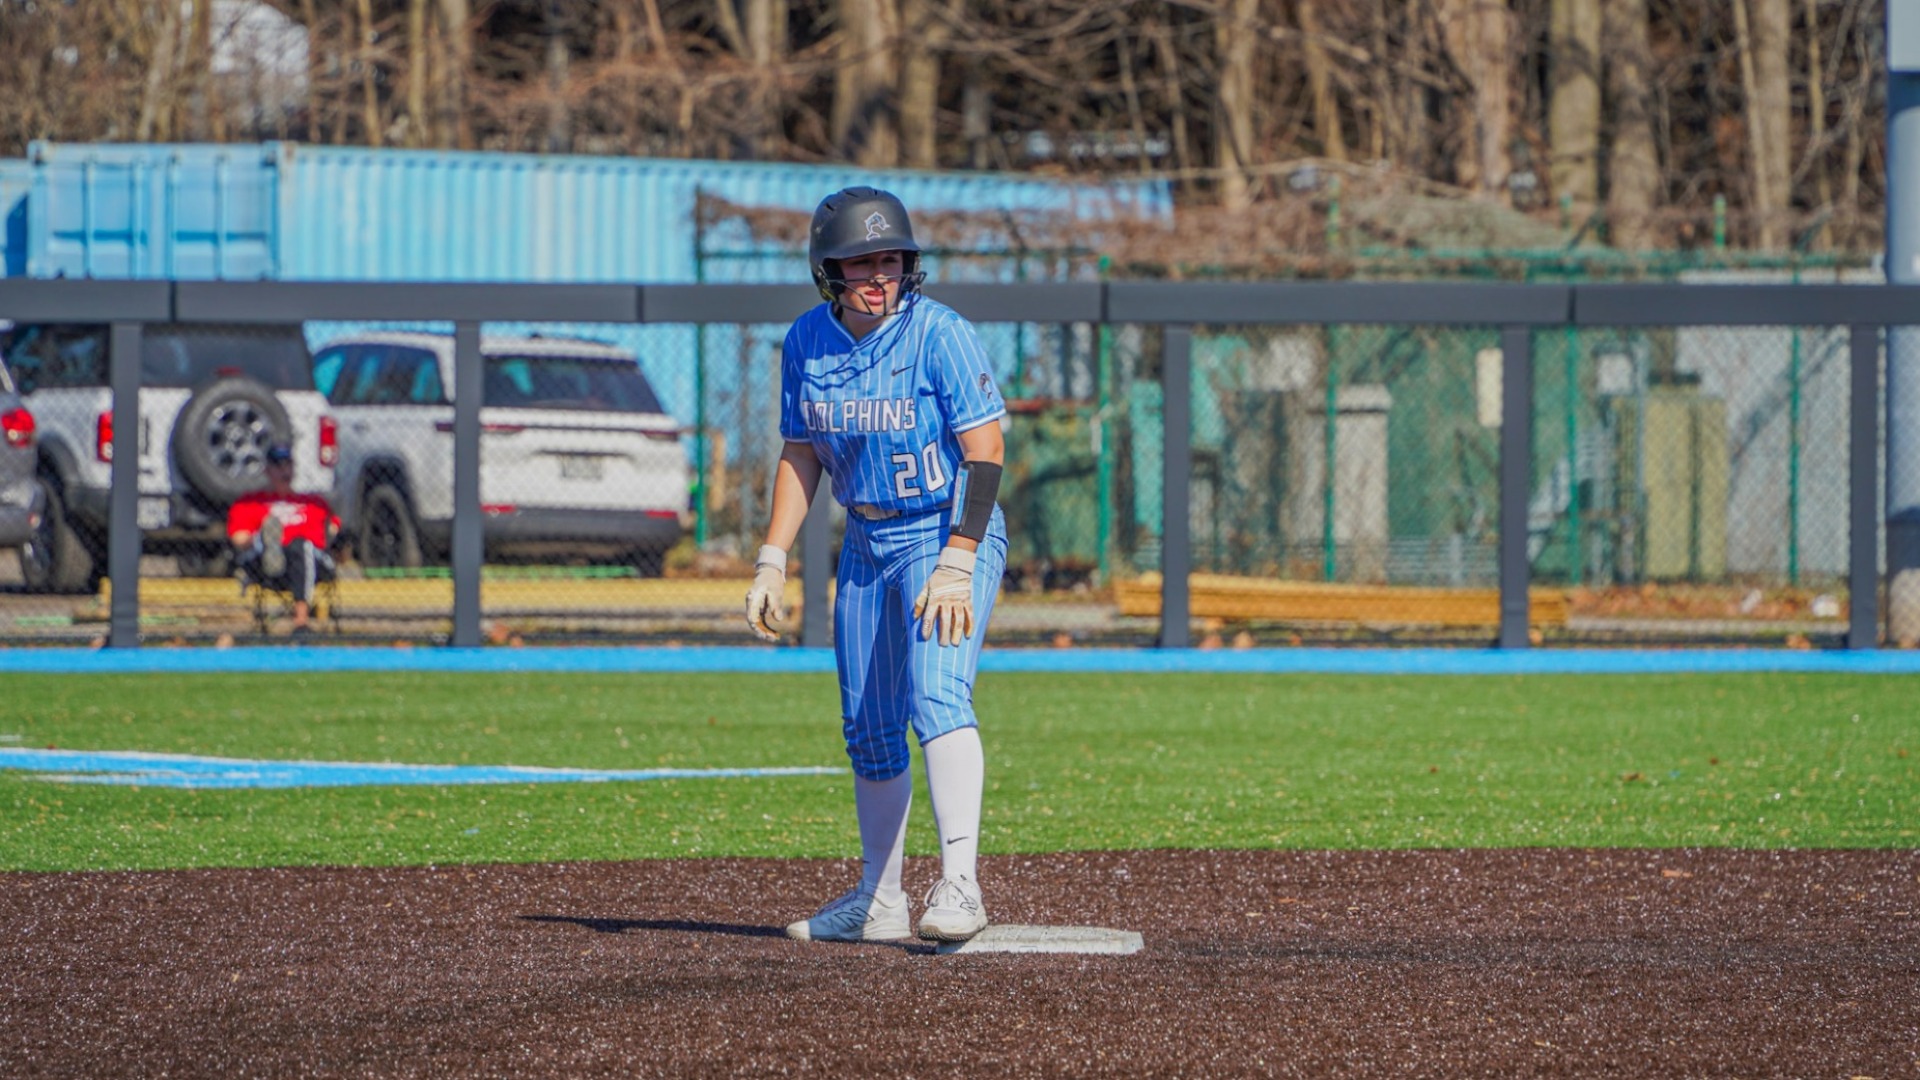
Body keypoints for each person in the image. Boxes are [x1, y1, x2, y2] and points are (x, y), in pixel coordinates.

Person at [746, 186, 1010, 944]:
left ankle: (961, 884)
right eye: (860, 262)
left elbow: (986, 450)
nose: (878, 275)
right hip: (866, 538)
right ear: (827, 270)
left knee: (937, 695)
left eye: (890, 259)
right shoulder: (807, 340)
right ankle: (880, 898)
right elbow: (801, 452)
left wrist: (959, 557)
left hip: (945, 529)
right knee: (867, 726)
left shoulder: (940, 334)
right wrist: (772, 558)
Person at [227, 443, 340, 636]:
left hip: (311, 560)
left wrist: (326, 539)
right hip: (264, 564)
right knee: (265, 542)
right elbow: (238, 538)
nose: (284, 470)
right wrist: (256, 540)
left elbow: (334, 528)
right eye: (278, 465)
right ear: (267, 470)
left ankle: (301, 619)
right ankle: (272, 550)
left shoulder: (313, 503)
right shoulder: (250, 502)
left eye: (288, 464)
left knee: (301, 546)